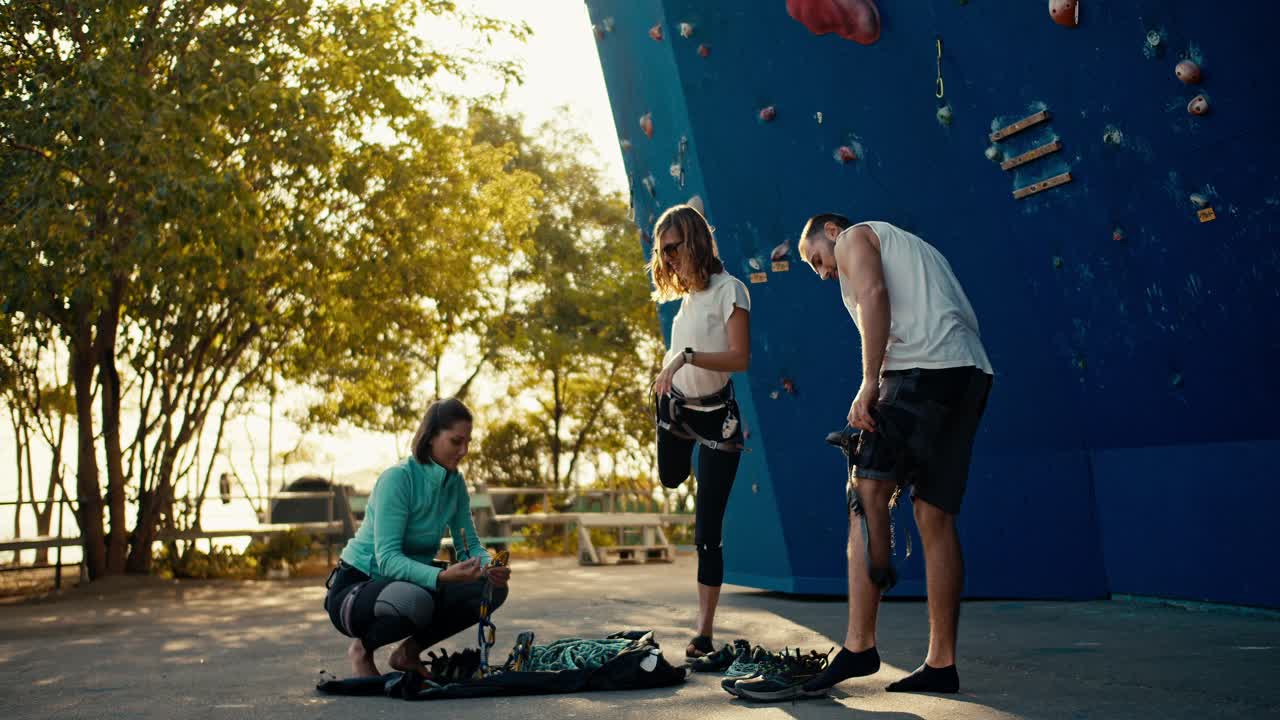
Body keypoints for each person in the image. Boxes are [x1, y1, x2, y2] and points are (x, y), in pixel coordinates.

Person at [769, 215, 993, 699]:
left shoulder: (854, 237)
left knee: (865, 486)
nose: (824, 272)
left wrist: (870, 381)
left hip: (920, 369)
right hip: (968, 374)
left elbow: (873, 295)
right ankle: (941, 663)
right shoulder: (913, 247)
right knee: (935, 515)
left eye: (817, 260)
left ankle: (858, 645)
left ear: (831, 230)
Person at [323, 398, 512, 677]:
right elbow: (387, 560)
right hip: (358, 587)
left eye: (468, 442)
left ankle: (408, 653)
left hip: (409, 583)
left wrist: (489, 565)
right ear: (431, 437)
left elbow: (468, 545)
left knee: (491, 589)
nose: (464, 451)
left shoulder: (455, 483)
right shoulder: (397, 479)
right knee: (415, 600)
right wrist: (441, 577)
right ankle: (362, 649)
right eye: (456, 441)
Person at [648, 204, 752, 659]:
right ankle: (678, 435)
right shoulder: (688, 297)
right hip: (675, 411)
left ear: (694, 242)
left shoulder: (732, 291)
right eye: (662, 251)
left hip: (717, 420)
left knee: (707, 529)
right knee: (670, 479)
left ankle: (703, 631)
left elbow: (738, 359)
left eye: (674, 248)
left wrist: (686, 356)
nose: (668, 258)